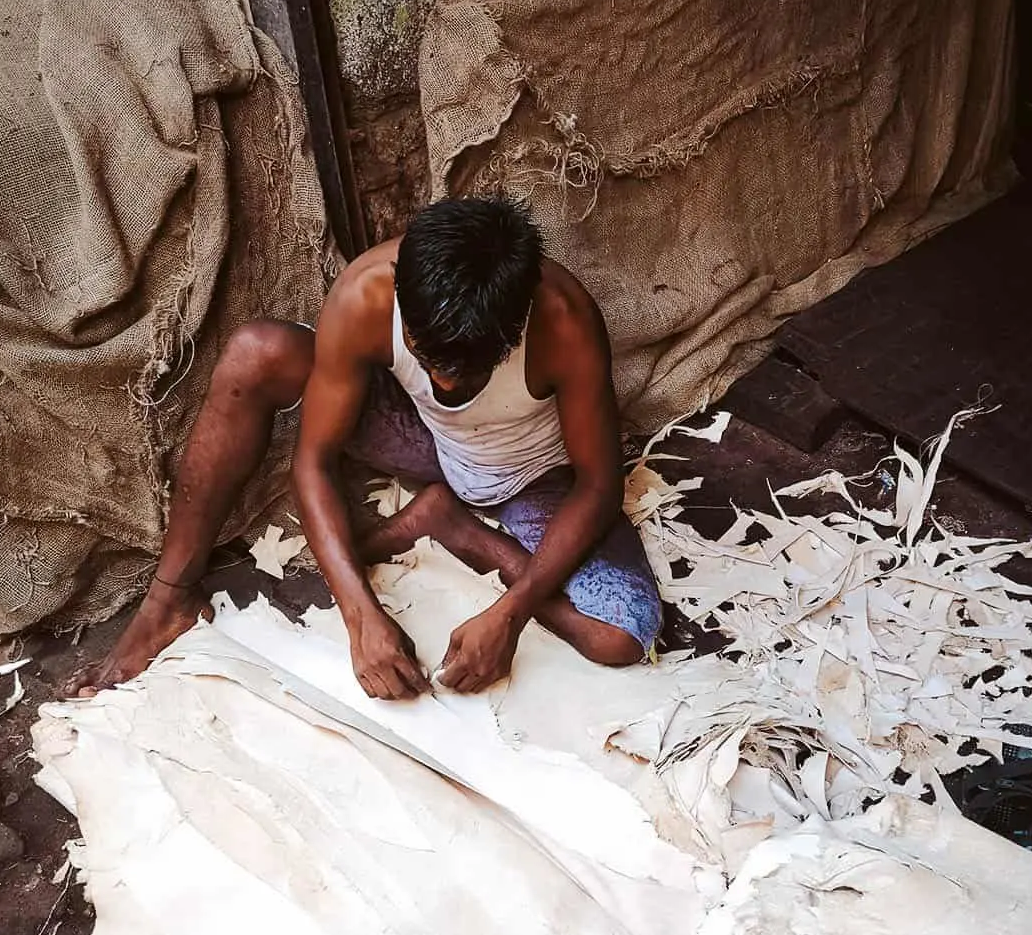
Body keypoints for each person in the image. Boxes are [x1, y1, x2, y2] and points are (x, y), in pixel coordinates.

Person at [66, 196, 661, 700]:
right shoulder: (367, 295)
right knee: (256, 351)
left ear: (516, 321)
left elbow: (598, 483)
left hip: (534, 475)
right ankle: (168, 599)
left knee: (618, 637)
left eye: (470, 365)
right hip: (426, 442)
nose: (448, 384)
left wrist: (513, 609)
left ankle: (455, 527)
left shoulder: (564, 318)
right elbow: (313, 461)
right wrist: (360, 615)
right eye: (431, 359)